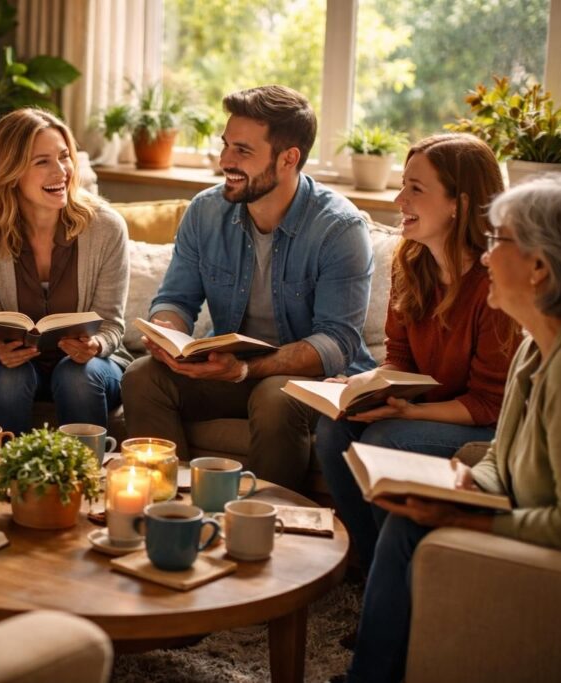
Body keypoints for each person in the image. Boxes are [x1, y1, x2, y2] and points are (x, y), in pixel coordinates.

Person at [346, 174, 561, 683]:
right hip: (526, 512)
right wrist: (470, 487)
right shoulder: (539, 341)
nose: (485, 258)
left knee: (411, 524)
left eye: (497, 241)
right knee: (406, 516)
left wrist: (468, 521)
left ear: (540, 264)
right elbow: (498, 456)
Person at [121, 85, 376, 488]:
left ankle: (263, 527)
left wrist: (245, 369)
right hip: (226, 369)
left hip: (310, 380)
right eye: (225, 146)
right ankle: (171, 511)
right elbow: (176, 299)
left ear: (289, 158)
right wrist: (167, 331)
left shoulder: (340, 228)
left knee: (275, 398)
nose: (225, 160)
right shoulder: (205, 212)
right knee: (141, 376)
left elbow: (336, 343)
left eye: (243, 151)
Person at [314, 134, 519, 573]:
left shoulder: (495, 283)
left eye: (416, 189)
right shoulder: (411, 262)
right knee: (334, 428)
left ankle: (403, 573)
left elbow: (489, 404)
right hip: (429, 407)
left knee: (386, 438)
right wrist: (360, 388)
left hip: (487, 425)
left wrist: (405, 414)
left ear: (458, 204)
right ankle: (369, 566)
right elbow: (400, 360)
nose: (399, 198)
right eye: (403, 184)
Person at [0, 108, 131, 435]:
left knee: (76, 376)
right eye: (42, 162)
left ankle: (84, 480)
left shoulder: (107, 228)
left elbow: (111, 324)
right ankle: (4, 480)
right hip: (15, 367)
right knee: (8, 378)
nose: (61, 171)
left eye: (65, 157)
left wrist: (94, 345)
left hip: (92, 365)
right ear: (9, 171)